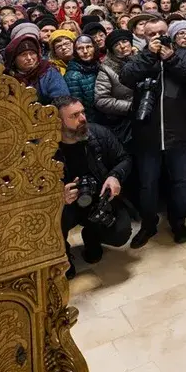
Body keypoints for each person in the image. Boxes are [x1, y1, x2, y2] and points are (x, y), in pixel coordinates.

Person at [121, 18, 186, 245]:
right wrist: (149, 55)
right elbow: (126, 77)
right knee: (148, 183)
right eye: (152, 34)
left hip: (179, 132)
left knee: (180, 181)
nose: (157, 37)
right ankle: (148, 225)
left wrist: (172, 59)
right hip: (148, 134)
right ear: (144, 36)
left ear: (169, 33)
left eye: (161, 32)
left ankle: (178, 222)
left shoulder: (183, 55)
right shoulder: (140, 56)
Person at [53, 97, 134, 278]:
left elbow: (125, 159)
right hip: (66, 206)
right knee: (50, 223)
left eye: (82, 112)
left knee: (120, 232)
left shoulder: (99, 134)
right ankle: (63, 254)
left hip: (98, 199)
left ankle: (91, 236)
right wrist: (57, 195)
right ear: (58, 122)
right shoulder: (47, 148)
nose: (83, 118)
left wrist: (115, 176)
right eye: (74, 115)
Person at [93, 29, 136, 136]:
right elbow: (101, 100)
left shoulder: (140, 60)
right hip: (123, 121)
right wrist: (130, 106)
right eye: (116, 44)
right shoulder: (106, 69)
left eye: (125, 41)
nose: (122, 46)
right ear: (112, 50)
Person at [5, 35, 70, 105]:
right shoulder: (7, 77)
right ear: (14, 59)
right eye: (23, 54)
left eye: (32, 53)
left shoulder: (48, 71)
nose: (29, 58)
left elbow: (62, 99)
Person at [64, 35, 102, 114]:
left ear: (94, 48)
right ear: (75, 51)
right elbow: (78, 107)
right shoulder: (72, 76)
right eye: (80, 48)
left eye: (88, 47)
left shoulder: (99, 66)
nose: (85, 51)